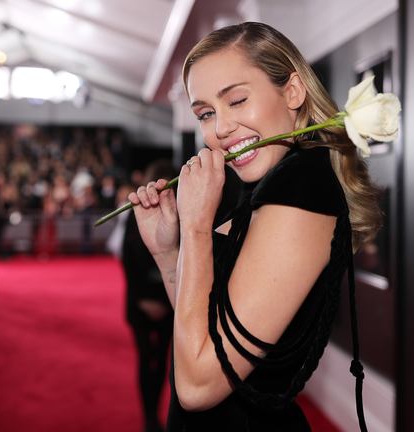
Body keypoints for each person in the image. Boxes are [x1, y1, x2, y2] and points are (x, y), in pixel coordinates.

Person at [127, 22, 381, 431]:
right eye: (206, 113)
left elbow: (196, 387)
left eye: (237, 100)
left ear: (293, 91)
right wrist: (168, 252)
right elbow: (205, 333)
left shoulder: (301, 186)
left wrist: (195, 228)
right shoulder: (264, 184)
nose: (220, 128)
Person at [121, 160, 178, 432]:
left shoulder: (181, 215)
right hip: (140, 303)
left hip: (170, 303)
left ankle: (157, 416)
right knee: (146, 360)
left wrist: (170, 301)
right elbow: (127, 261)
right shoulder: (136, 215)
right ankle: (148, 417)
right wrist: (143, 300)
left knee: (164, 361)